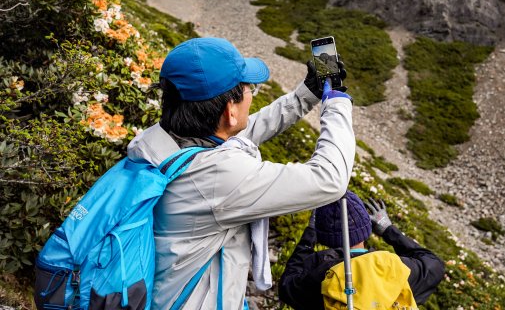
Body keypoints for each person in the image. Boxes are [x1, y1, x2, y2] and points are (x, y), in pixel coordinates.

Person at [126, 37, 354, 309]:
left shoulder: (159, 140)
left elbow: (239, 135)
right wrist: (336, 103)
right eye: (249, 88)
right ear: (229, 110)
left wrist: (305, 95)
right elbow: (329, 180)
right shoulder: (217, 178)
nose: (251, 93)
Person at [279, 191, 445, 310]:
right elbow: (434, 264)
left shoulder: (320, 274)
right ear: (368, 228)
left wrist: (309, 236)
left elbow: (287, 285)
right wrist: (388, 229)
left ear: (325, 236)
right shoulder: (396, 268)